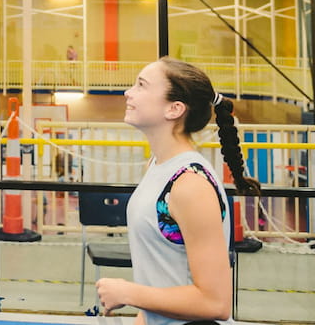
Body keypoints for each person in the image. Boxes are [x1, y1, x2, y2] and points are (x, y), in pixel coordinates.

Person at [95, 57, 261, 325]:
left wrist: (129, 292)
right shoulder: (158, 166)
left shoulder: (190, 183)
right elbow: (158, 277)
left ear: (174, 109)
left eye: (141, 85)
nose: (129, 92)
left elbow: (215, 303)